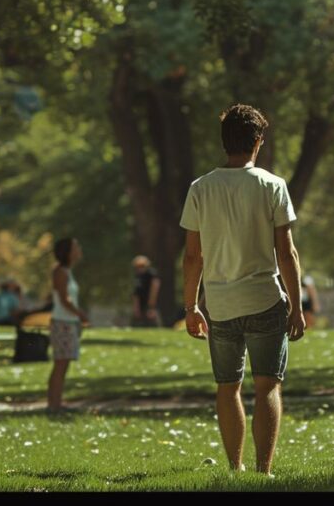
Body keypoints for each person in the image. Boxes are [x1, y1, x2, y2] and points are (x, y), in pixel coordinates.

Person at [180, 104, 306, 476]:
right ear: (258, 141)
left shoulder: (200, 188)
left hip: (219, 305)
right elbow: (287, 252)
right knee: (267, 386)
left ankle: (234, 469)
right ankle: (263, 470)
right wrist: (297, 306)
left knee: (227, 387)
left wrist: (191, 307)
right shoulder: (272, 185)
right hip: (265, 299)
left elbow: (192, 257)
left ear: (224, 142)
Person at [46, 238, 89, 414]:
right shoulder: (60, 272)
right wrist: (80, 313)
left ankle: (57, 402)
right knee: (60, 363)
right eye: (76, 247)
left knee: (64, 364)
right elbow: (64, 299)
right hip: (62, 322)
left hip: (69, 322)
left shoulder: (67, 271)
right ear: (68, 252)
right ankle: (53, 404)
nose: (79, 249)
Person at [131, 256, 161, 327]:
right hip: (141, 303)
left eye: (142, 266)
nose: (139, 268)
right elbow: (136, 292)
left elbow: (154, 289)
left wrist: (151, 306)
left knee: (153, 322)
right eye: (137, 266)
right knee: (137, 323)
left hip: (150, 303)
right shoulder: (138, 276)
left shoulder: (151, 274)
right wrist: (136, 306)